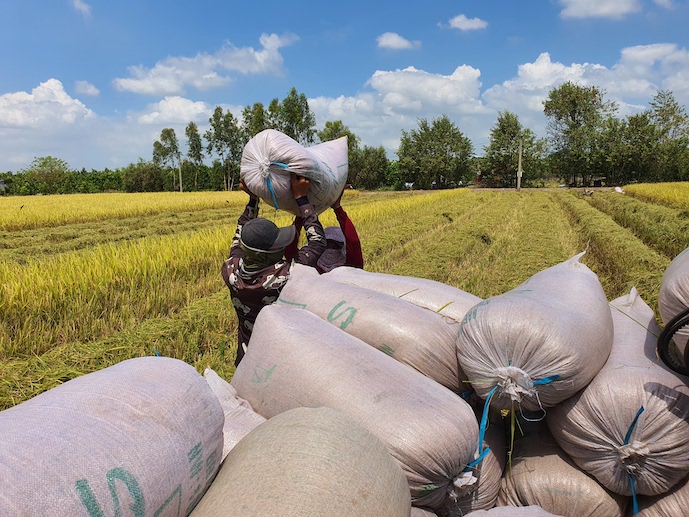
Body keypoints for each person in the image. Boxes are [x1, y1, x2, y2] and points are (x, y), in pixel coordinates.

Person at [222, 174, 326, 366]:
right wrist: (301, 198)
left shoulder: (230, 270)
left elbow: (240, 232)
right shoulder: (286, 275)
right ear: (265, 255)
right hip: (280, 360)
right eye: (278, 245)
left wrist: (253, 199)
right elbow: (318, 242)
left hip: (247, 357)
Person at [285, 188, 363, 274]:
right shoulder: (309, 264)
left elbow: (353, 242)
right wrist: (301, 215)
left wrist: (338, 209)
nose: (331, 249)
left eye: (336, 246)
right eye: (327, 245)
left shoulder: (350, 268)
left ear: (343, 248)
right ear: (321, 246)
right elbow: (290, 251)